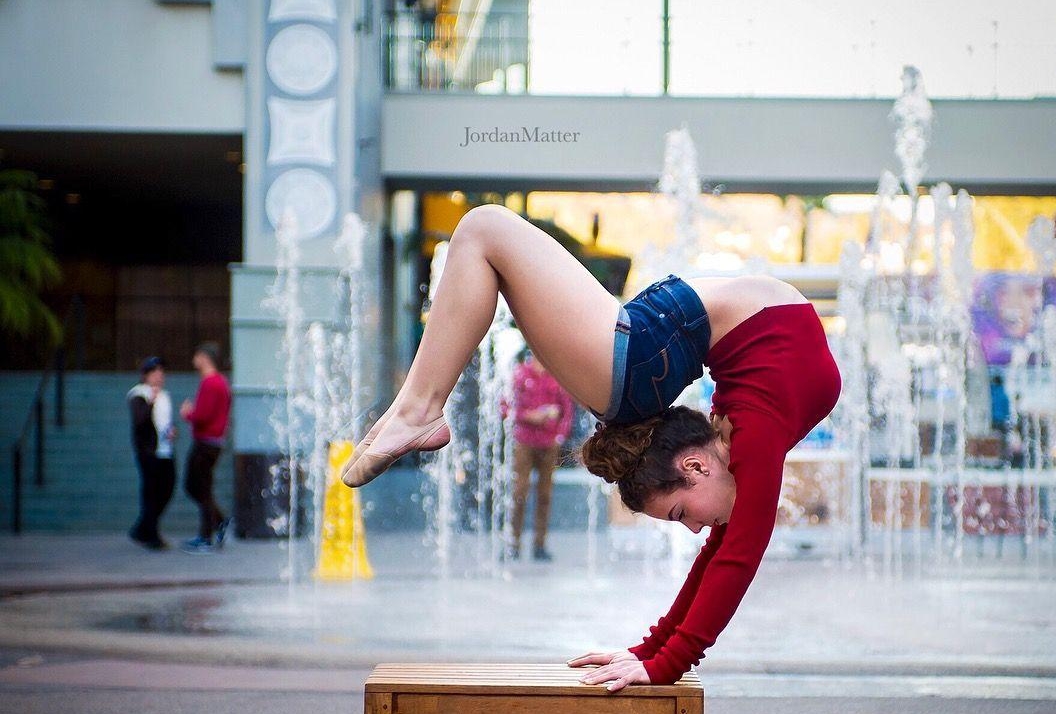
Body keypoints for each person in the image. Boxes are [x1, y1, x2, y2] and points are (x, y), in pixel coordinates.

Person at [341, 205, 841, 689]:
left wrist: (654, 653)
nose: (693, 529)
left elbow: (719, 555)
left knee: (484, 235)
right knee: (483, 229)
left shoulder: (742, 434)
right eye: (680, 513)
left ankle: (416, 408)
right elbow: (736, 558)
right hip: (644, 353)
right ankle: (417, 410)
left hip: (652, 347)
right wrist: (661, 660)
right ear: (694, 465)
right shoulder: (757, 438)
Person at [507, 351, 575, 561]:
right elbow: (506, 406)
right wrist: (529, 416)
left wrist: (560, 436)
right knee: (519, 492)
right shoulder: (520, 374)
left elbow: (567, 409)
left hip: (548, 442)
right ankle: (513, 543)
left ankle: (539, 544)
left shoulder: (555, 375)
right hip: (525, 441)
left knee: (545, 496)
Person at [180, 341, 231, 554]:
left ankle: (207, 535)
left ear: (204, 357)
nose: (194, 360)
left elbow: (203, 415)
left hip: (206, 443)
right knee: (198, 487)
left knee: (199, 487)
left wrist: (187, 413)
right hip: (212, 442)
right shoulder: (218, 382)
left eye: (197, 355)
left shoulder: (211, 383)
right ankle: (217, 522)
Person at [127, 356, 176, 549]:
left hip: (166, 450)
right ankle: (152, 535)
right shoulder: (138, 394)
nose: (159, 376)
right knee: (151, 492)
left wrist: (173, 431)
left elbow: (164, 422)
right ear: (146, 375)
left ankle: (142, 528)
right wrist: (151, 401)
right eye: (154, 372)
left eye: (161, 372)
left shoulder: (165, 395)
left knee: (167, 488)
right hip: (148, 452)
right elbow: (140, 420)